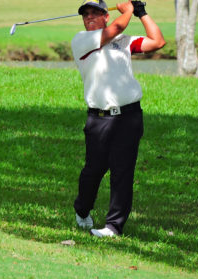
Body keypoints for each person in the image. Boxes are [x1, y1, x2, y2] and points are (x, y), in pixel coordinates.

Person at [71, 0, 165, 237]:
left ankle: (114, 227)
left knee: (123, 172)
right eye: (86, 14)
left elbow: (157, 41)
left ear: (105, 16)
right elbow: (116, 28)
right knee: (93, 170)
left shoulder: (123, 42)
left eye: (95, 13)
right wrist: (129, 10)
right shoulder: (81, 40)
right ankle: (82, 211)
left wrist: (141, 12)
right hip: (99, 119)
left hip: (129, 117)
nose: (89, 17)